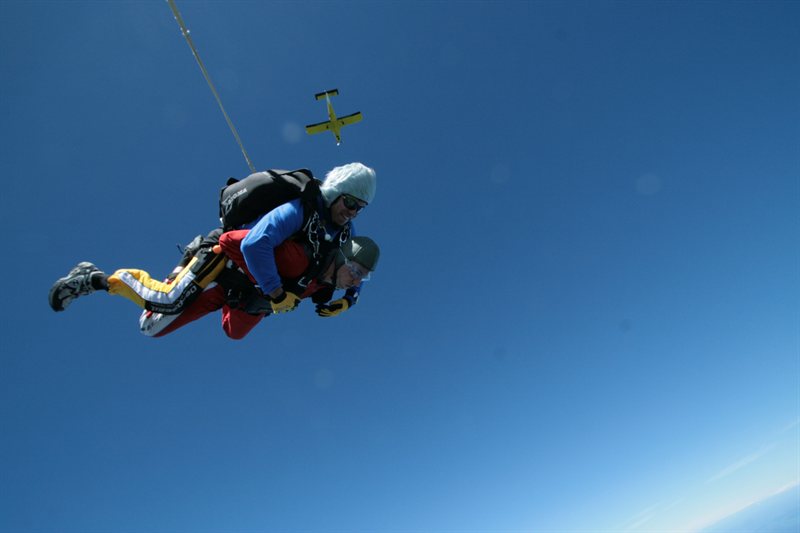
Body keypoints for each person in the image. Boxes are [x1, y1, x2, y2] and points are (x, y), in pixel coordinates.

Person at [49, 162, 379, 338]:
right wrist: (277, 293)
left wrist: (349, 301)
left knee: (150, 327)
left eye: (360, 207)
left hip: (237, 289)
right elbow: (253, 243)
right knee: (167, 299)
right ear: (336, 192)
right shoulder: (300, 210)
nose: (352, 211)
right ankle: (94, 279)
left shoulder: (344, 233)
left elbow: (357, 267)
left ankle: (226, 296)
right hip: (222, 257)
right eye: (350, 201)